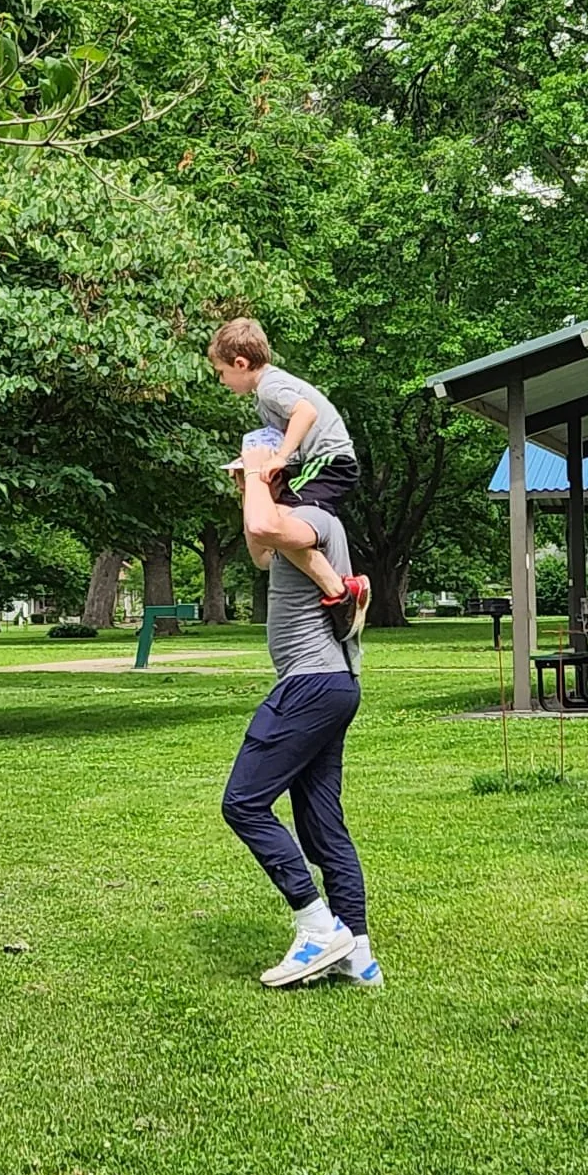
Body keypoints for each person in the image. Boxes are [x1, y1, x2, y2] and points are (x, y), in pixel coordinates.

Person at [221, 443, 384, 992]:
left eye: (242, 475)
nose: (238, 484)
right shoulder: (292, 522)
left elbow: (270, 530)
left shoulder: (310, 515)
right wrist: (253, 489)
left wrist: (259, 480)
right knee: (320, 822)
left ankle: (316, 925)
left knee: (242, 802)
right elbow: (260, 550)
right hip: (331, 685)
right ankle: (357, 952)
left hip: (310, 684)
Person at [208, 316, 368, 642]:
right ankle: (338, 588)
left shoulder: (269, 387)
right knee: (273, 522)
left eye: (222, 372)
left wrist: (281, 457)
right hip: (318, 463)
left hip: (329, 464)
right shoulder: (268, 388)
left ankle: (343, 592)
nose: (222, 380)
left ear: (241, 363)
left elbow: (305, 413)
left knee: (278, 522)